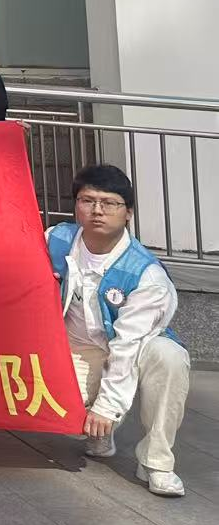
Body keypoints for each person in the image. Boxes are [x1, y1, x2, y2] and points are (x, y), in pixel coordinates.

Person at [48, 164, 189, 498]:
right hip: (77, 348)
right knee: (54, 409)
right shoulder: (55, 240)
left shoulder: (146, 274)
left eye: (109, 203)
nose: (97, 210)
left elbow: (127, 344)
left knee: (170, 358)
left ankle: (157, 462)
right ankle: (99, 431)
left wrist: (107, 407)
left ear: (128, 213)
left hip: (134, 348)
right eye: (88, 200)